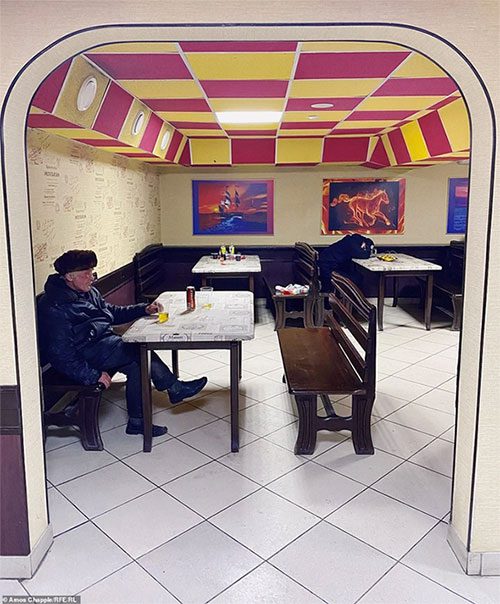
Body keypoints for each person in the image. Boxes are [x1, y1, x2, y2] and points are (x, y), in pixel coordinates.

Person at [38, 249, 208, 438]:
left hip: (101, 345)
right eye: (86, 274)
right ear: (69, 277)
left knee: (138, 363)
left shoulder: (87, 292)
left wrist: (143, 309)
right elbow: (60, 353)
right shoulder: (55, 306)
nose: (92, 278)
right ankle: (174, 388)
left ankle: (138, 422)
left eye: (93, 272)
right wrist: (91, 374)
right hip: (84, 354)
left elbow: (111, 312)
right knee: (139, 349)